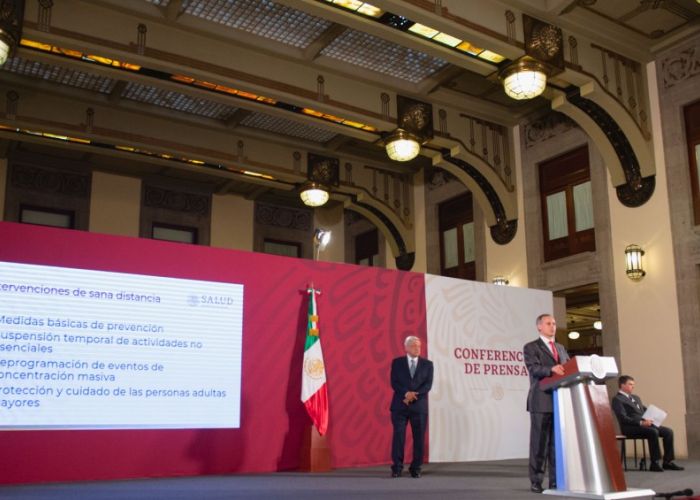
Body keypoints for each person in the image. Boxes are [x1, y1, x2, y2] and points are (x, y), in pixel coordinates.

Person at [523, 313, 569, 494]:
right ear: (539, 327)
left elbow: (568, 367)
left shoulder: (561, 347)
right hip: (541, 400)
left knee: (556, 445)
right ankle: (536, 481)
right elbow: (533, 368)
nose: (553, 326)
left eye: (555, 323)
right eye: (549, 323)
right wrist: (551, 369)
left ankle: (555, 481)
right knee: (539, 444)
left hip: (560, 401)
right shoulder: (531, 347)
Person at [611, 375, 684, 472]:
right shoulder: (617, 399)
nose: (633, 386)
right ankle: (655, 463)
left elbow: (645, 410)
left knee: (668, 432)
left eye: (633, 384)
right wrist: (641, 422)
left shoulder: (636, 398)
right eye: (630, 384)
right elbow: (623, 417)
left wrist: (659, 414)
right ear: (622, 385)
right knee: (653, 432)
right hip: (630, 427)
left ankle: (667, 462)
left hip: (645, 425)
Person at [390, 335, 433, 478]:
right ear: (406, 347)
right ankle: (397, 467)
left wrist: (414, 395)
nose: (417, 348)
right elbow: (394, 382)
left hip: (419, 407)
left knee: (419, 438)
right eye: (414, 345)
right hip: (399, 406)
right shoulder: (397, 363)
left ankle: (416, 468)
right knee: (398, 437)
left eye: (419, 346)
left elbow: (428, 385)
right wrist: (406, 393)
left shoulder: (428, 364)